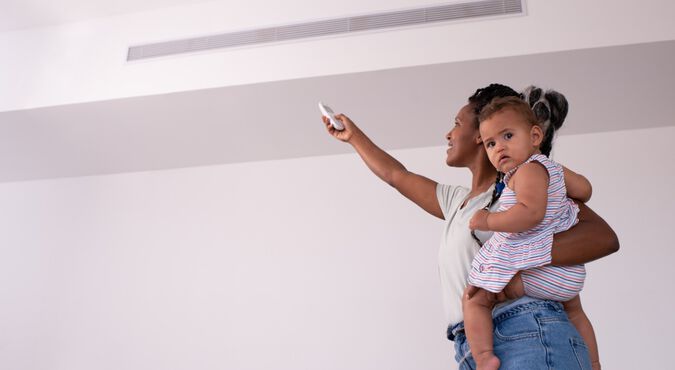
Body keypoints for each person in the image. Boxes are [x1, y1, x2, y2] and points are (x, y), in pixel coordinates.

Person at [321, 83, 618, 369]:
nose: (448, 133)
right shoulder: (458, 203)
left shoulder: (526, 186)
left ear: (479, 134)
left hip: (524, 329)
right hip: (473, 345)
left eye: (456, 123)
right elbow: (397, 175)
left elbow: (603, 238)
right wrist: (353, 136)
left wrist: (518, 266)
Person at [463, 94, 599, 370]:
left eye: (508, 136)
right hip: (567, 272)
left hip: (536, 267)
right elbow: (585, 189)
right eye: (491, 143)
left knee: (475, 299)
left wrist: (488, 220)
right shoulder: (553, 170)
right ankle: (593, 363)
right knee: (575, 311)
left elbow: (530, 214)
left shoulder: (526, 172)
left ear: (535, 135)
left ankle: (484, 357)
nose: (499, 147)